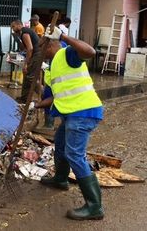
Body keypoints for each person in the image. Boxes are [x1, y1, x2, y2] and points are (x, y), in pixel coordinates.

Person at [34, 27, 104, 221]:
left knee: (74, 154)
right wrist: (35, 105)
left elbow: (90, 52)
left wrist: (63, 36)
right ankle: (61, 179)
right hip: (71, 115)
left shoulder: (67, 54)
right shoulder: (53, 66)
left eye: (43, 46)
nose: (41, 50)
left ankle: (95, 206)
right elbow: (54, 98)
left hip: (83, 113)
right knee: (61, 145)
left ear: (51, 43)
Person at [10, 20, 41, 103]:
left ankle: (44, 94)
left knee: (31, 77)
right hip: (35, 54)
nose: (12, 29)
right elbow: (25, 48)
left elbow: (30, 48)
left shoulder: (24, 33)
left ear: (19, 25)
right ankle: (24, 98)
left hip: (37, 55)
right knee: (27, 76)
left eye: (13, 26)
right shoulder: (22, 33)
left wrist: (25, 64)